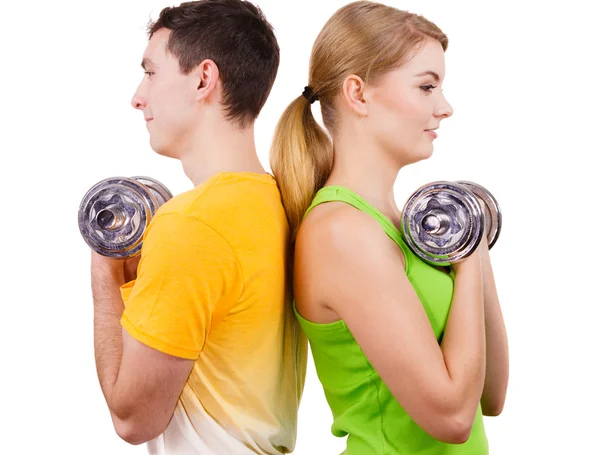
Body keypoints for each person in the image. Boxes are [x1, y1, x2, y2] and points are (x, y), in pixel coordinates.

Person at [269, 1, 509, 454]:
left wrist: (472, 248)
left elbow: (489, 396)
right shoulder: (342, 233)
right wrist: (470, 263)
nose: (445, 107)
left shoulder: (404, 228)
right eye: (426, 87)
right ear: (358, 94)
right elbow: (452, 418)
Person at [90, 1, 307, 454]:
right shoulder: (279, 203)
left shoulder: (192, 224)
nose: (137, 96)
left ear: (203, 79)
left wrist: (105, 271)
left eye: (150, 72)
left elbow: (133, 420)